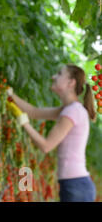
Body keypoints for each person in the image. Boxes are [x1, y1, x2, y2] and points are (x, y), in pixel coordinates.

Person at [7, 64, 97, 202]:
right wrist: (11, 95)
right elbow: (34, 112)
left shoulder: (72, 112)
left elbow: (46, 146)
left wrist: (24, 123)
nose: (53, 76)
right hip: (75, 186)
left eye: (59, 74)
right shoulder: (70, 109)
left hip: (76, 187)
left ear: (70, 83)